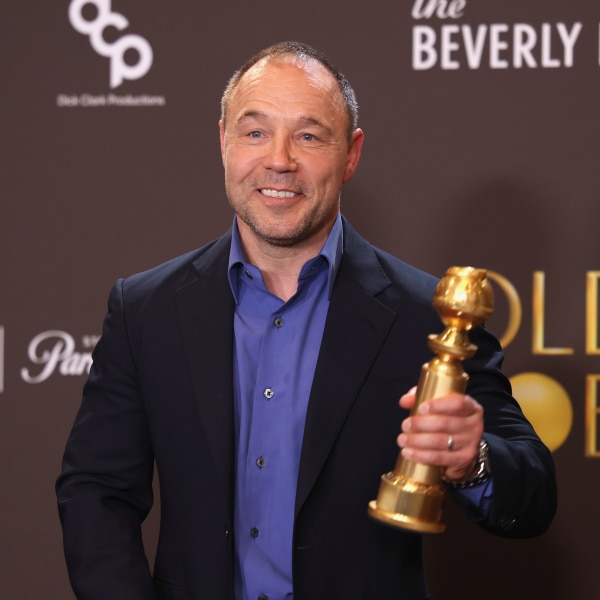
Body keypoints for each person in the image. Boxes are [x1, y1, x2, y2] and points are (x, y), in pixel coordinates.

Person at [56, 41, 557, 600]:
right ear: (223, 142)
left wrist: (474, 461)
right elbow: (96, 490)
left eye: (309, 137)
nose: (279, 160)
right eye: (255, 132)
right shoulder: (145, 309)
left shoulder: (429, 315)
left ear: (351, 154)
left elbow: (533, 493)